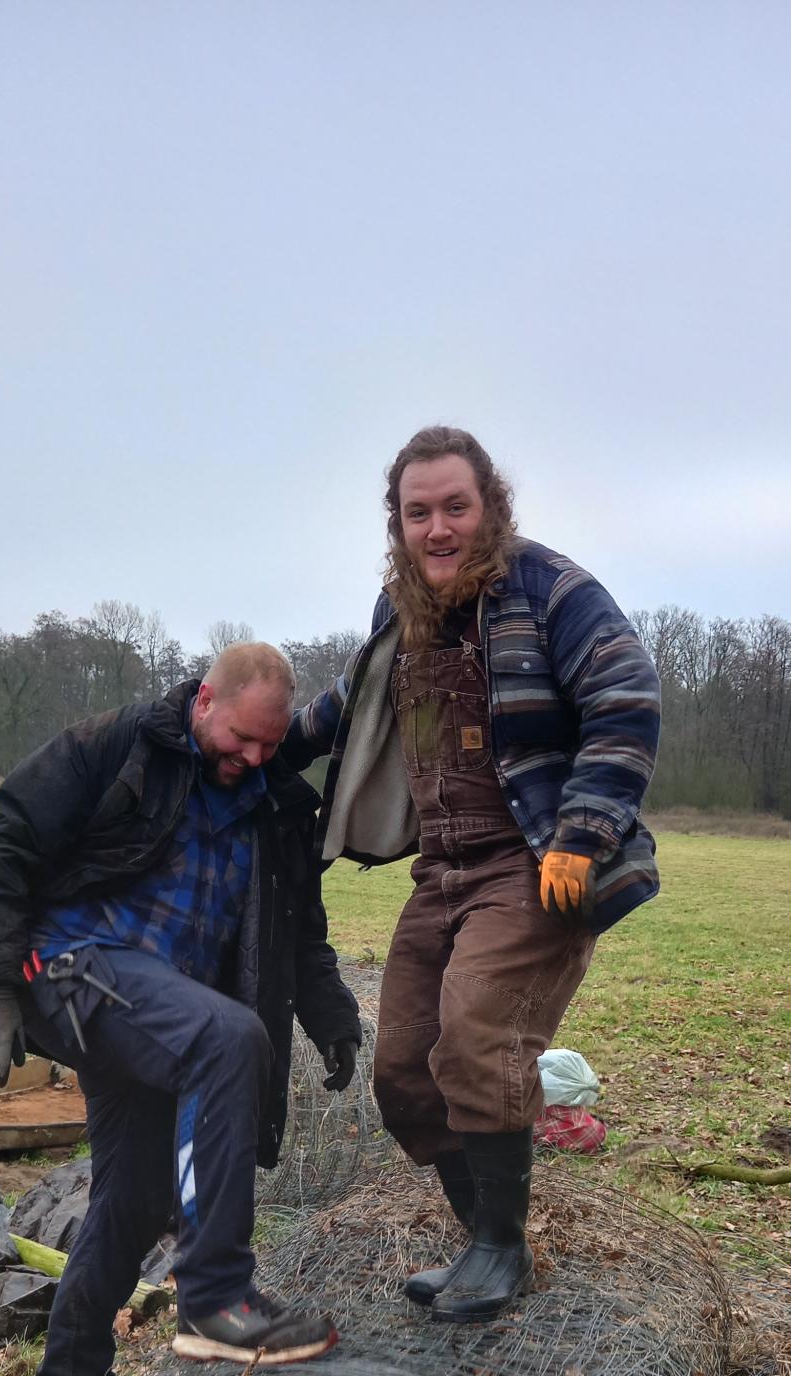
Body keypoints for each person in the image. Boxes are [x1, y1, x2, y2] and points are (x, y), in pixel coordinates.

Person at [0, 643, 360, 1376]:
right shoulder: (118, 747)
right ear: (202, 703)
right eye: (240, 740)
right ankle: (217, 1298)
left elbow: (299, 928)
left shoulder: (275, 803)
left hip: (150, 1012)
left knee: (136, 1199)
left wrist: (330, 1015)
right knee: (227, 1038)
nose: (253, 759)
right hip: (70, 966)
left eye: (269, 745)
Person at [283, 426, 660, 1322]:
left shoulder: (550, 589)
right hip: (442, 870)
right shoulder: (398, 612)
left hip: (533, 862)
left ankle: (501, 1248)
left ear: (489, 505)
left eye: (456, 506)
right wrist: (242, 742)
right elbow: (343, 711)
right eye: (420, 512)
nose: (439, 527)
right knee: (404, 1070)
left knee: (478, 1036)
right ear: (398, 523)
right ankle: (481, 1239)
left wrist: (582, 833)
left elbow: (626, 696)